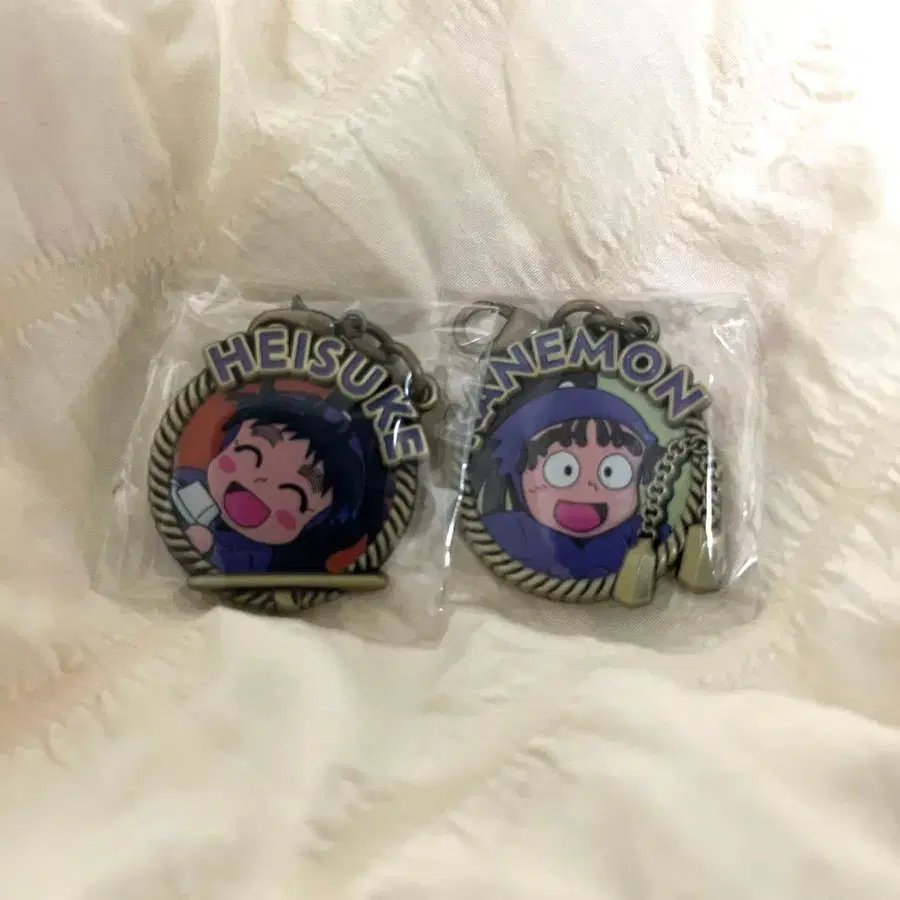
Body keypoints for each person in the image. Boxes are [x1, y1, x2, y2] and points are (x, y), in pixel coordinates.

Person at [172, 386, 387, 574]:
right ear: (228, 444)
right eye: (250, 452)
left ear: (314, 521)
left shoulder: (263, 560)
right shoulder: (186, 481)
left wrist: (208, 545)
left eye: (293, 491)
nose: (262, 479)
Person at [475, 382, 666, 579]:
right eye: (564, 470)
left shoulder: (645, 534)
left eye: (612, 472)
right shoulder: (506, 532)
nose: (589, 487)